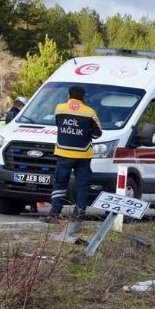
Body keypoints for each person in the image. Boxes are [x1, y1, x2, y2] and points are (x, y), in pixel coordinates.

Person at [45, 86, 102, 221]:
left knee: (60, 183)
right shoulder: (89, 112)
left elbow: (58, 124)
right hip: (83, 155)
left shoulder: (60, 108)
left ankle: (55, 213)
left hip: (63, 152)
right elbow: (98, 133)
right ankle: (79, 214)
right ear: (84, 96)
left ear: (68, 95)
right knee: (82, 185)